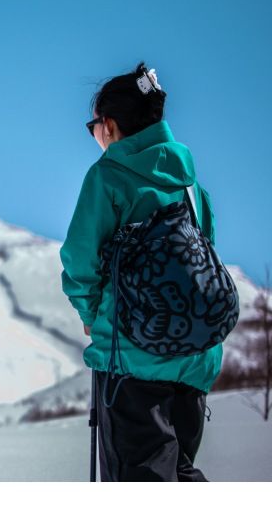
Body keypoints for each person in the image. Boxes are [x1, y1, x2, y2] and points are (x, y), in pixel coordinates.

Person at [59, 61, 221, 482]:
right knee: (180, 473)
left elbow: (80, 258)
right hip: (194, 360)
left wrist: (93, 318)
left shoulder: (109, 176)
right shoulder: (189, 182)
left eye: (93, 125)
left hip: (131, 359)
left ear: (109, 125)